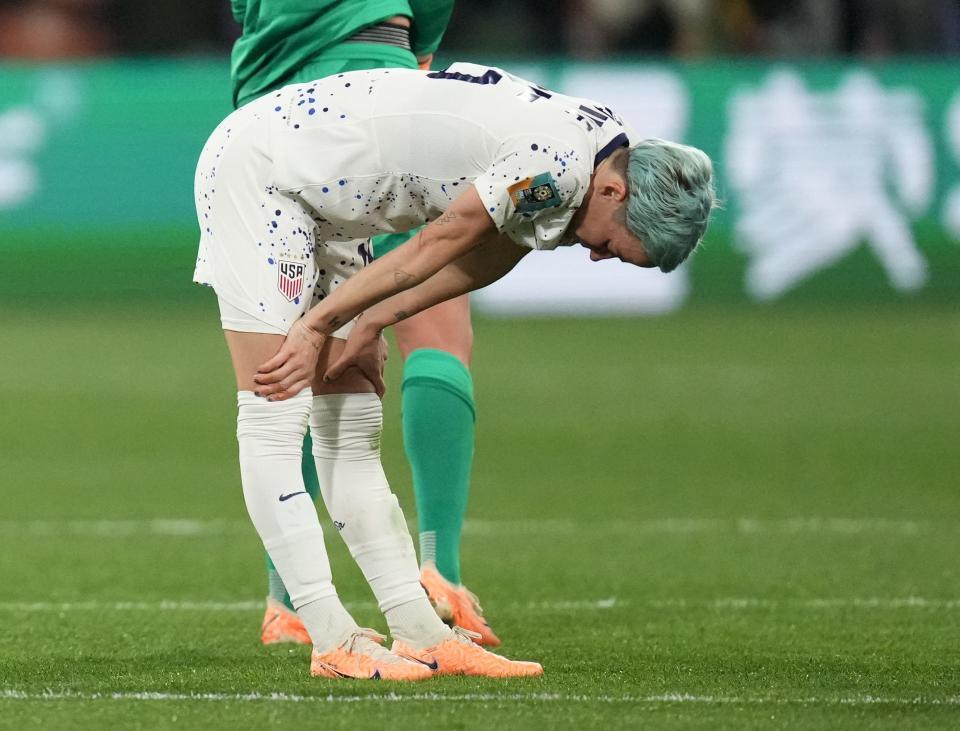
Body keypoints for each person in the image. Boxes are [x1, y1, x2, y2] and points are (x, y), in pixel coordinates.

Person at [193, 61, 714, 679]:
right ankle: (330, 636)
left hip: (330, 203)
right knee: (274, 413)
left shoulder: (594, 161)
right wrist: (313, 326)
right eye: (611, 245)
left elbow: (486, 258)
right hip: (265, 175)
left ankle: (419, 631)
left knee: (354, 422)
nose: (596, 254)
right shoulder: (554, 168)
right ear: (615, 193)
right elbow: (446, 237)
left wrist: (368, 322)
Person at [229, 0, 498, 648]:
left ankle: (289, 599)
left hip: (269, 108)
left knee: (299, 347)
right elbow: (425, 25)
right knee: (435, 325)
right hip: (376, 98)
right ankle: (442, 570)